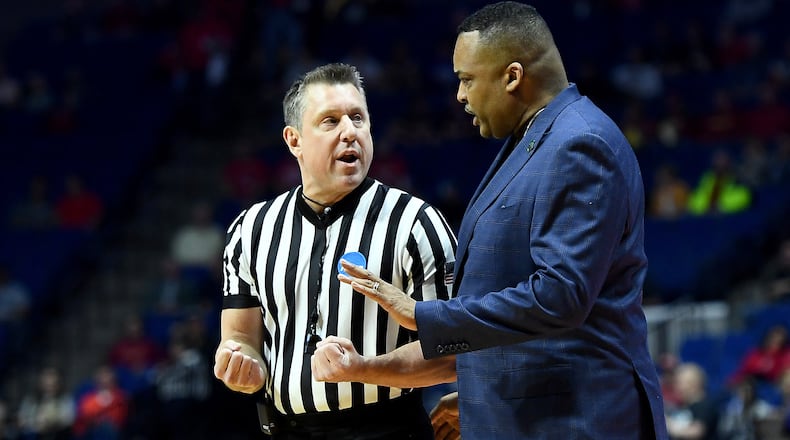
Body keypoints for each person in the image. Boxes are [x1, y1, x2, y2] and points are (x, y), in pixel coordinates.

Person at [311, 3, 668, 439]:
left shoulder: (580, 144)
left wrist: (424, 314)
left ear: (512, 76)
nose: (460, 95)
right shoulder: (536, 137)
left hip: (577, 419)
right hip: (530, 411)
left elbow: (562, 296)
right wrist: (482, 391)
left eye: (466, 80)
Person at [212, 62, 457, 439]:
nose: (350, 132)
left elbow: (453, 352)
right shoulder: (251, 229)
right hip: (283, 429)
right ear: (294, 140)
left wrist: (363, 368)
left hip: (387, 429)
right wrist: (244, 366)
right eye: (330, 121)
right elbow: (241, 337)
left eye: (358, 118)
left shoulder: (417, 223)